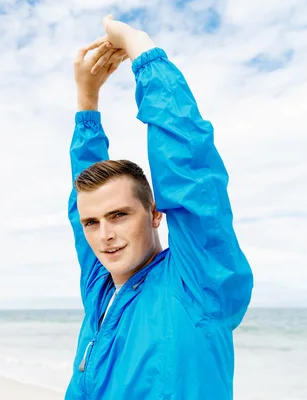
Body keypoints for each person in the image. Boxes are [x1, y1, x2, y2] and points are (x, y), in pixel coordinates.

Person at [65, 15, 254, 399]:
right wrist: (87, 102)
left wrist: (142, 52)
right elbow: (83, 200)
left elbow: (191, 174)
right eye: (92, 223)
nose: (105, 236)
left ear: (155, 214)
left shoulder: (198, 283)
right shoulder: (99, 287)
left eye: (120, 215)